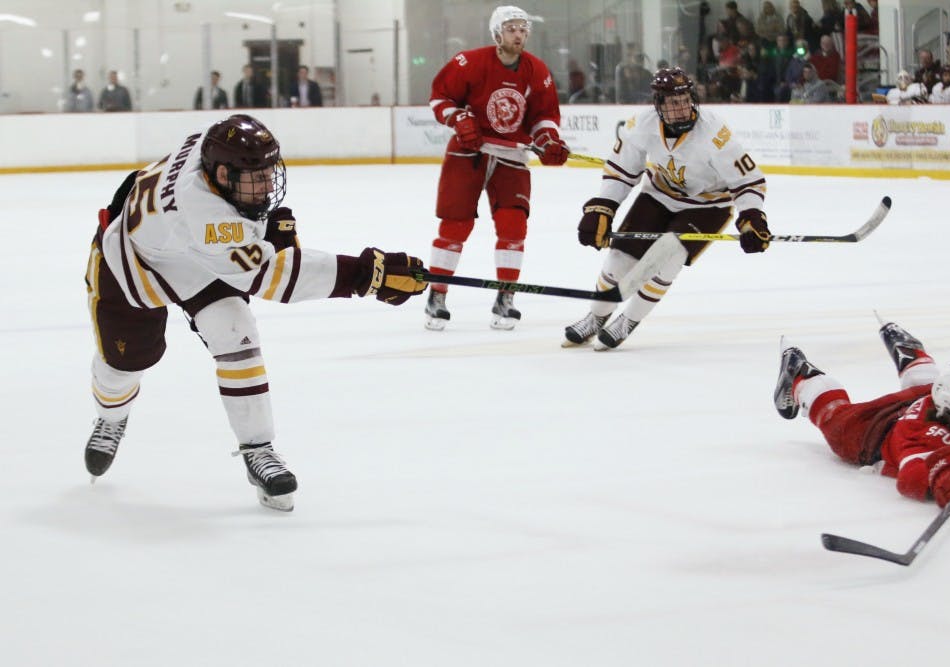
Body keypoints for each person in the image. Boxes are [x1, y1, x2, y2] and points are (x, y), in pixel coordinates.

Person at [83, 114, 426, 511]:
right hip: (133, 265)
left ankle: (257, 449)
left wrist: (263, 231)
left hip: (189, 252)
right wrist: (369, 274)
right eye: (256, 177)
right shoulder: (207, 218)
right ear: (224, 173)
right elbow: (274, 278)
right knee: (124, 363)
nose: (267, 184)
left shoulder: (208, 151)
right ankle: (110, 418)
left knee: (235, 332)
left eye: (268, 172)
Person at [563, 67, 769, 350]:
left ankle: (629, 320)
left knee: (669, 255)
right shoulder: (641, 126)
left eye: (685, 99)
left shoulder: (714, 133)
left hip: (707, 206)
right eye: (673, 102)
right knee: (620, 257)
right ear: (658, 104)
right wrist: (603, 208)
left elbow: (748, 181)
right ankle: (596, 317)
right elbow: (622, 170)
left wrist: (752, 217)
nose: (682, 107)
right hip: (658, 194)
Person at [423, 5, 568, 331]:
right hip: (468, 152)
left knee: (513, 227)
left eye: (522, 28)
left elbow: (544, 116)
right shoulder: (470, 62)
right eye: (512, 27)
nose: (519, 33)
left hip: (511, 157)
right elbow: (439, 98)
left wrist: (547, 139)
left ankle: (506, 297)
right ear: (497, 33)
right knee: (455, 227)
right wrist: (459, 118)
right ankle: (437, 294)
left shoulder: (537, 70)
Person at [774, 320, 950, 513]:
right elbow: (910, 476)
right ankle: (801, 375)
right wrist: (944, 476)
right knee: (837, 423)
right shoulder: (926, 435)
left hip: (925, 395)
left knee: (930, 383)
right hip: (874, 427)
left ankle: (911, 354)